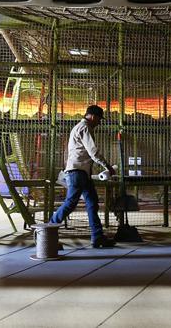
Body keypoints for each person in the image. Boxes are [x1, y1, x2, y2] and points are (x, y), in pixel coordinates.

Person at [49, 104, 117, 247]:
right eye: (99, 119)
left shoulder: (79, 127)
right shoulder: (85, 128)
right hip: (77, 172)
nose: (99, 123)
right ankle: (48, 230)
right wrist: (108, 167)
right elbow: (93, 152)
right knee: (70, 203)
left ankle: (97, 237)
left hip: (81, 173)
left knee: (92, 203)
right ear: (92, 116)